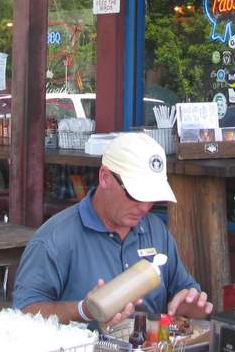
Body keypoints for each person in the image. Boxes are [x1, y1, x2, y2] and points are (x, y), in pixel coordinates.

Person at [13, 133, 213, 327]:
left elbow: (185, 294)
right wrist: (83, 311)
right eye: (136, 195)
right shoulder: (55, 239)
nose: (145, 207)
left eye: (153, 197)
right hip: (83, 349)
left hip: (152, 347)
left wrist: (190, 307)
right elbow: (23, 315)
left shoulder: (156, 230)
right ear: (105, 177)